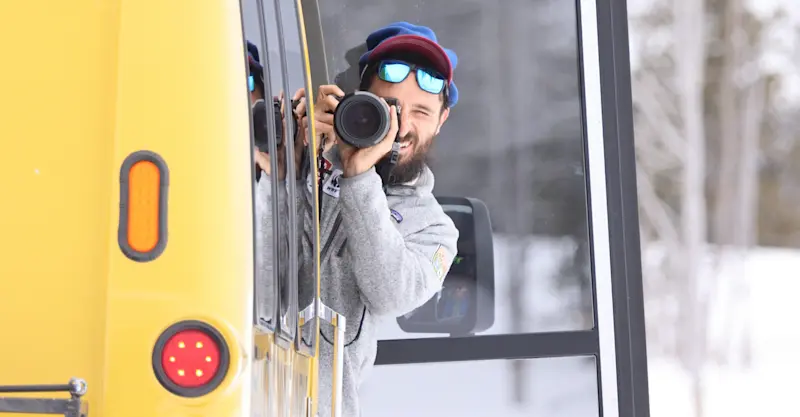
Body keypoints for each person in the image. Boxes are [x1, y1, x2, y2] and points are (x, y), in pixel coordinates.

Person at [294, 21, 460, 417]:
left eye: (421, 111)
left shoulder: (433, 228)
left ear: (441, 120)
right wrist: (293, 154)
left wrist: (359, 176)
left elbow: (390, 295)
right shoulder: (305, 157)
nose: (401, 126)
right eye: (387, 107)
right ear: (356, 102)